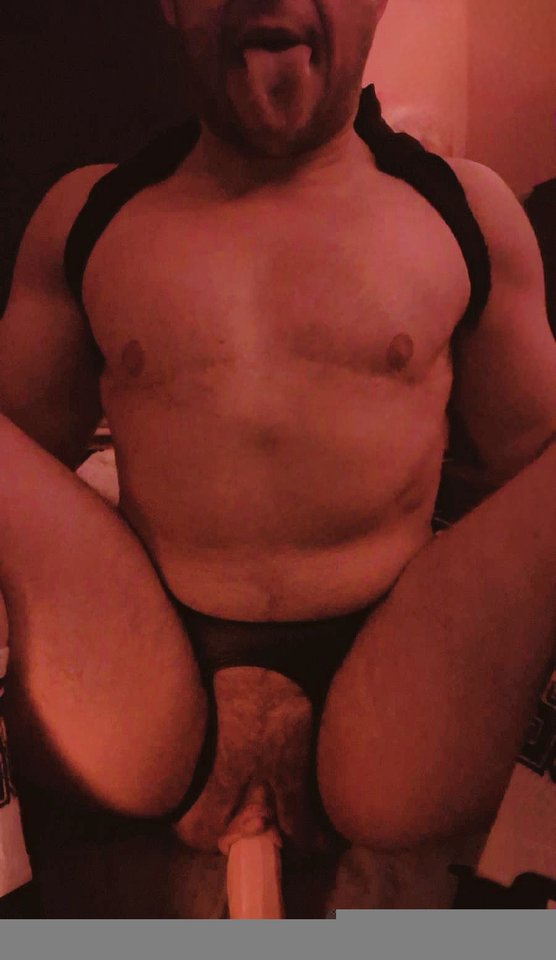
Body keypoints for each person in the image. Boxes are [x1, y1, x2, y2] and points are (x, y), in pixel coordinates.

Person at [0, 0, 555, 906]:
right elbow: (25, 463)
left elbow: (531, 460)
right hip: (141, 691)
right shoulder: (89, 216)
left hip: (397, 701)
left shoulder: (465, 211)